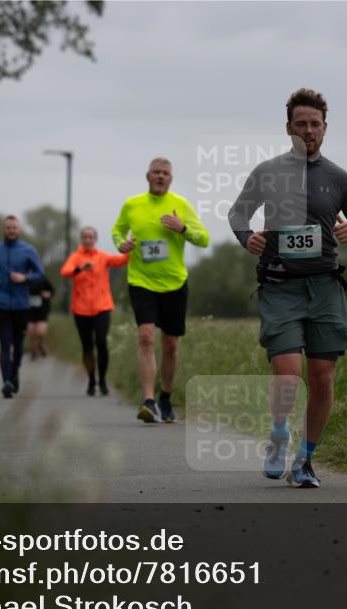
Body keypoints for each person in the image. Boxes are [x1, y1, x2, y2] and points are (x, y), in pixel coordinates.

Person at [228, 88, 347, 488]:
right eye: (301, 124)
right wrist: (246, 237)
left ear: (325, 128)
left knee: (323, 378)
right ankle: (279, 433)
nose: (308, 131)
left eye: (315, 124)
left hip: (325, 287)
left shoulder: (338, 178)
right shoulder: (268, 172)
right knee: (287, 372)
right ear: (288, 128)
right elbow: (238, 213)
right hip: (280, 285)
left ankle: (305, 460)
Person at [112, 157, 209, 423]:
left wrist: (183, 228)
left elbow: (204, 239)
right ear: (147, 176)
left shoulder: (181, 205)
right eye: (156, 172)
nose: (160, 176)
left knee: (170, 344)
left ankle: (165, 396)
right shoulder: (132, 204)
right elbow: (117, 231)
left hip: (174, 282)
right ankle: (148, 401)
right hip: (141, 281)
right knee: (145, 337)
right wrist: (121, 244)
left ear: (171, 178)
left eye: (165, 173)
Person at [0, 215, 45, 398]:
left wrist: (25, 278)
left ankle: (14, 373)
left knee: (18, 345)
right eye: (8, 227)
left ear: (19, 230)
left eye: (14, 228)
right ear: (3, 229)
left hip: (21, 304)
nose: (11, 230)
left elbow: (40, 274)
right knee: (5, 343)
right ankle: (7, 382)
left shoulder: (28, 250)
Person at [60, 226, 130, 396]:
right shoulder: (75, 257)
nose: (88, 240)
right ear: (81, 239)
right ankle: (91, 380)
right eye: (85, 237)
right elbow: (65, 272)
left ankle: (103, 380)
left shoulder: (102, 257)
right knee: (87, 346)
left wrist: (131, 248)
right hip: (81, 308)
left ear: (95, 239)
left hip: (102, 307)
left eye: (91, 237)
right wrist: (80, 268)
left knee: (101, 341)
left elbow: (121, 261)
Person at [25, 271, 55, 360]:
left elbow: (52, 291)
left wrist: (47, 294)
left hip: (42, 309)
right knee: (31, 332)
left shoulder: (43, 279)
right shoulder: (24, 279)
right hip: (29, 310)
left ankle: (40, 344)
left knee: (40, 332)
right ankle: (33, 352)